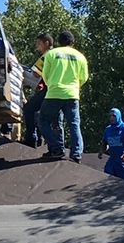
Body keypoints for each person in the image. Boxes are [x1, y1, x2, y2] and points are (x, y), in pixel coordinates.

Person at [37, 30, 90, 163]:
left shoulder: (52, 54)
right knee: (74, 124)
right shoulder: (80, 56)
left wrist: (52, 85)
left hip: (54, 93)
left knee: (44, 121)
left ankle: (57, 148)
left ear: (59, 41)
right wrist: (75, 87)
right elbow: (84, 77)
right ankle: (76, 154)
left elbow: (45, 74)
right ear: (73, 42)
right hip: (72, 94)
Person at [21, 33, 52, 149]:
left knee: (29, 109)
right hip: (59, 91)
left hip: (47, 90)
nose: (37, 47)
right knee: (43, 115)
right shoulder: (58, 55)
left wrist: (21, 72)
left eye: (39, 44)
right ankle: (41, 140)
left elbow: (34, 73)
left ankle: (31, 138)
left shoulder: (47, 55)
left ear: (46, 43)